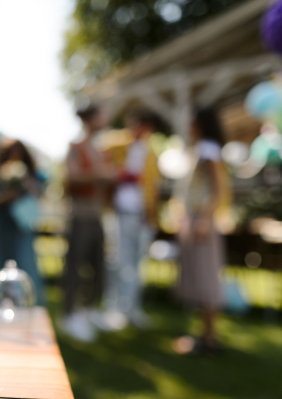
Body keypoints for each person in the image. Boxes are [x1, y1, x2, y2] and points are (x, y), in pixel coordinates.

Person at [174, 107, 228, 354]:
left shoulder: (208, 149)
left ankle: (210, 338)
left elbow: (217, 190)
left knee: (206, 278)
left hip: (202, 220)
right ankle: (203, 335)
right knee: (198, 277)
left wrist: (204, 218)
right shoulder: (200, 149)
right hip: (194, 218)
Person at [61, 105, 117, 341]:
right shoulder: (76, 147)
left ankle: (88, 309)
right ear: (91, 119)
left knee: (97, 265)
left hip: (97, 214)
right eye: (100, 115)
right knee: (75, 264)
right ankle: (68, 314)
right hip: (79, 214)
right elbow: (71, 176)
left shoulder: (100, 149)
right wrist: (99, 173)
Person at [106, 110, 161, 329]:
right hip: (119, 212)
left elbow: (154, 188)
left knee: (137, 263)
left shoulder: (151, 154)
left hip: (141, 214)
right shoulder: (117, 147)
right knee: (119, 260)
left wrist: (151, 215)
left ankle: (132, 307)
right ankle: (114, 307)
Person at [0, 140, 44, 304]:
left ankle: (27, 302)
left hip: (22, 228)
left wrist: (25, 183)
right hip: (2, 226)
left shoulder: (33, 175)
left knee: (26, 264)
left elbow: (39, 192)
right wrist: (11, 193)